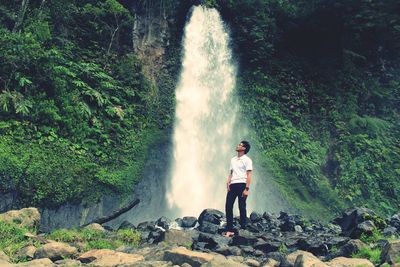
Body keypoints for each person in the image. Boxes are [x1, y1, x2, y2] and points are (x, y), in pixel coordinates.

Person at [224, 141, 253, 237]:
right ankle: (229, 230)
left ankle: (243, 228)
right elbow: (231, 172)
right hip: (233, 184)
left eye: (240, 145)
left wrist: (247, 188)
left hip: (242, 184)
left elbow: (249, 174)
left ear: (244, 149)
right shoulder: (233, 159)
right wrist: (228, 181)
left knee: (242, 206)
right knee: (228, 206)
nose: (237, 145)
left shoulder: (247, 160)